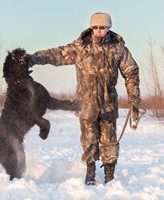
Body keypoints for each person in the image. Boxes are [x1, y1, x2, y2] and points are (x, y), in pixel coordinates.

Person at [28, 12, 141, 185]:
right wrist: (32, 58)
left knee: (109, 141)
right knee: (88, 139)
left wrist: (134, 99)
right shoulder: (81, 48)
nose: (98, 31)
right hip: (86, 105)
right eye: (95, 27)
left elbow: (131, 72)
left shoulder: (118, 48)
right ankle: (90, 173)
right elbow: (57, 54)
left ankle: (110, 175)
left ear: (108, 27)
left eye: (102, 28)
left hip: (108, 104)